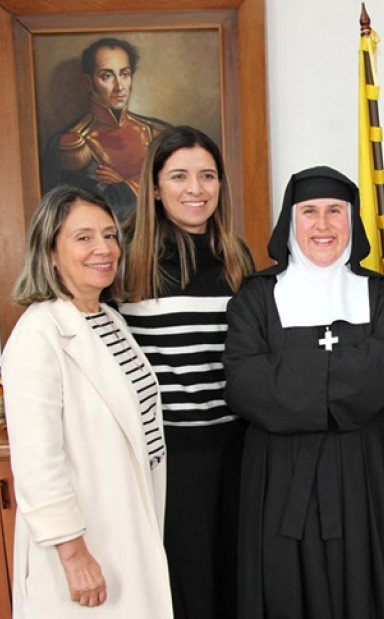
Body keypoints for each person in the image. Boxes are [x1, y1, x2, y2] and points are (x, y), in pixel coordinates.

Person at [223, 166, 384, 618]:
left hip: (364, 469)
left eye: (335, 211)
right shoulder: (256, 297)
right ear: (290, 221)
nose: (322, 224)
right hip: (279, 474)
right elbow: (244, 383)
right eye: (309, 211)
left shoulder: (383, 295)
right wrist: (351, 369)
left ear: (351, 220)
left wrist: (293, 375)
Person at [2, 185, 172, 617]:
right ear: (50, 252)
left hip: (127, 525)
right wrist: (74, 556)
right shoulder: (38, 334)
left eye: (110, 235)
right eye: (83, 237)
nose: (104, 248)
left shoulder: (107, 318)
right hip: (83, 543)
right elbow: (38, 463)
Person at [119, 126, 253, 619]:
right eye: (179, 176)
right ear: (154, 186)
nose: (195, 189)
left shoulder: (236, 258)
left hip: (239, 447)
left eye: (207, 176)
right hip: (170, 456)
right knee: (186, 585)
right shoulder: (125, 259)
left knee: (237, 579)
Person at [41, 37, 171, 222]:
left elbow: (178, 200)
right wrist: (151, 182)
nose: (119, 87)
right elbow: (100, 212)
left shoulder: (159, 132)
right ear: (88, 82)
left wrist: (125, 184)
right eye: (107, 76)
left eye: (125, 74)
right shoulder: (73, 143)